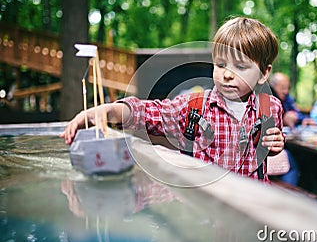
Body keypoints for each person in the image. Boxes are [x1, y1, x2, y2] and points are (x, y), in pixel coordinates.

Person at [61, 17, 285, 184]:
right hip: (203, 206)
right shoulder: (194, 107)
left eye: (241, 67)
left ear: (264, 74)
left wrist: (275, 146)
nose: (227, 74)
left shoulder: (271, 107)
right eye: (221, 65)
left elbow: (269, 146)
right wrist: (105, 112)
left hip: (252, 206)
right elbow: (146, 113)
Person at [269, 72, 301, 186]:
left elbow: (296, 113)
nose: (286, 91)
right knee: (292, 163)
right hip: (262, 153)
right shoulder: (271, 97)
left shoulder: (285, 99)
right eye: (282, 88)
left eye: (287, 88)